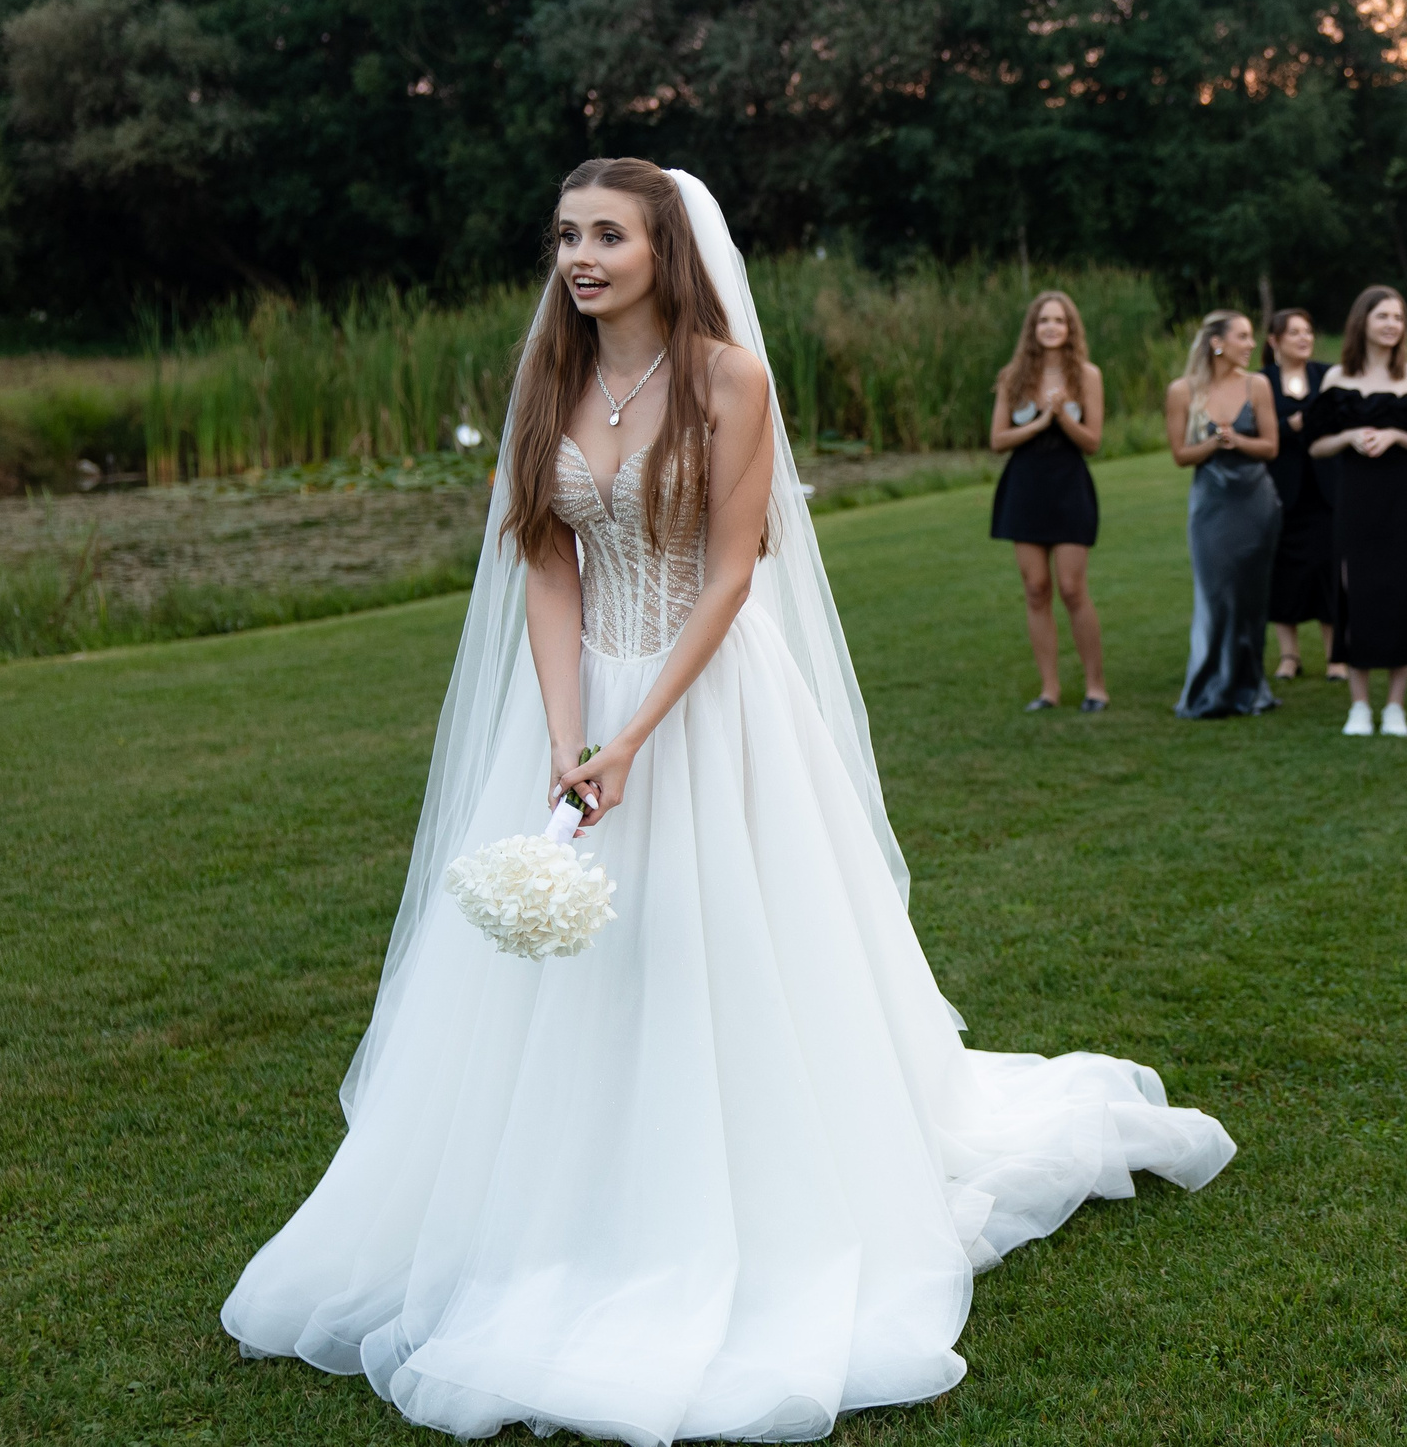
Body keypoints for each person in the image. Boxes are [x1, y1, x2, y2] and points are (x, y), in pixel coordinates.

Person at [220, 160, 1235, 1443]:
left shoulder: (727, 380)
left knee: (714, 938)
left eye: (608, 235)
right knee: (573, 959)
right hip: (577, 695)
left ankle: (729, 1178)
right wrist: (567, 730)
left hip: (707, 702)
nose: (580, 258)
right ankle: (564, 1185)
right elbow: (546, 563)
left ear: (666, 249)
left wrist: (637, 733)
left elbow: (731, 574)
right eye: (566, 236)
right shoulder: (547, 379)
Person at [1306, 285, 1407, 736]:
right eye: (1383, 316)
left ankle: (1394, 706)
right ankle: (1358, 705)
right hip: (1356, 498)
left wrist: (1396, 436)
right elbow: (1316, 445)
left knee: (1402, 595)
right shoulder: (1337, 378)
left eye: (1398, 317)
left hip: (1404, 497)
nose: (1392, 324)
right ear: (1362, 322)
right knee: (1357, 594)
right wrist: (1348, 437)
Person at [988, 290, 1109, 712]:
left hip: (1069, 484)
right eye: (1044, 320)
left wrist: (1061, 418)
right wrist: (1039, 422)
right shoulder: (1013, 376)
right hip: (1025, 486)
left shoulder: (1087, 375)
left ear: (1070, 327)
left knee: (1073, 588)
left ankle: (1096, 687)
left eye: (1059, 320)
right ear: (1033, 328)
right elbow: (998, 440)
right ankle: (1049, 690)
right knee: (1036, 589)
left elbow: (1092, 442)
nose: (1052, 327)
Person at [1167, 309, 1282, 718]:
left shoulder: (1258, 385)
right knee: (1215, 597)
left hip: (1256, 503)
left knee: (1250, 599)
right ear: (1217, 343)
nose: (1251, 344)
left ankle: (1249, 689)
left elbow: (1271, 447)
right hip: (1211, 505)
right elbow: (1181, 455)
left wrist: (1237, 440)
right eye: (1243, 336)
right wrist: (1214, 443)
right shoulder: (1183, 391)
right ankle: (1208, 690)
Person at [1260, 307, 1342, 683]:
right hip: (1281, 490)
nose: (1304, 338)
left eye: (1308, 331)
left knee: (1329, 569)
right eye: (1294, 332)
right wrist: (1288, 426)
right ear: (1274, 340)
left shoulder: (1327, 375)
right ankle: (1289, 656)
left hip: (1326, 488)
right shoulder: (1261, 382)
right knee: (1283, 574)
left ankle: (1335, 656)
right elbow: (1254, 429)